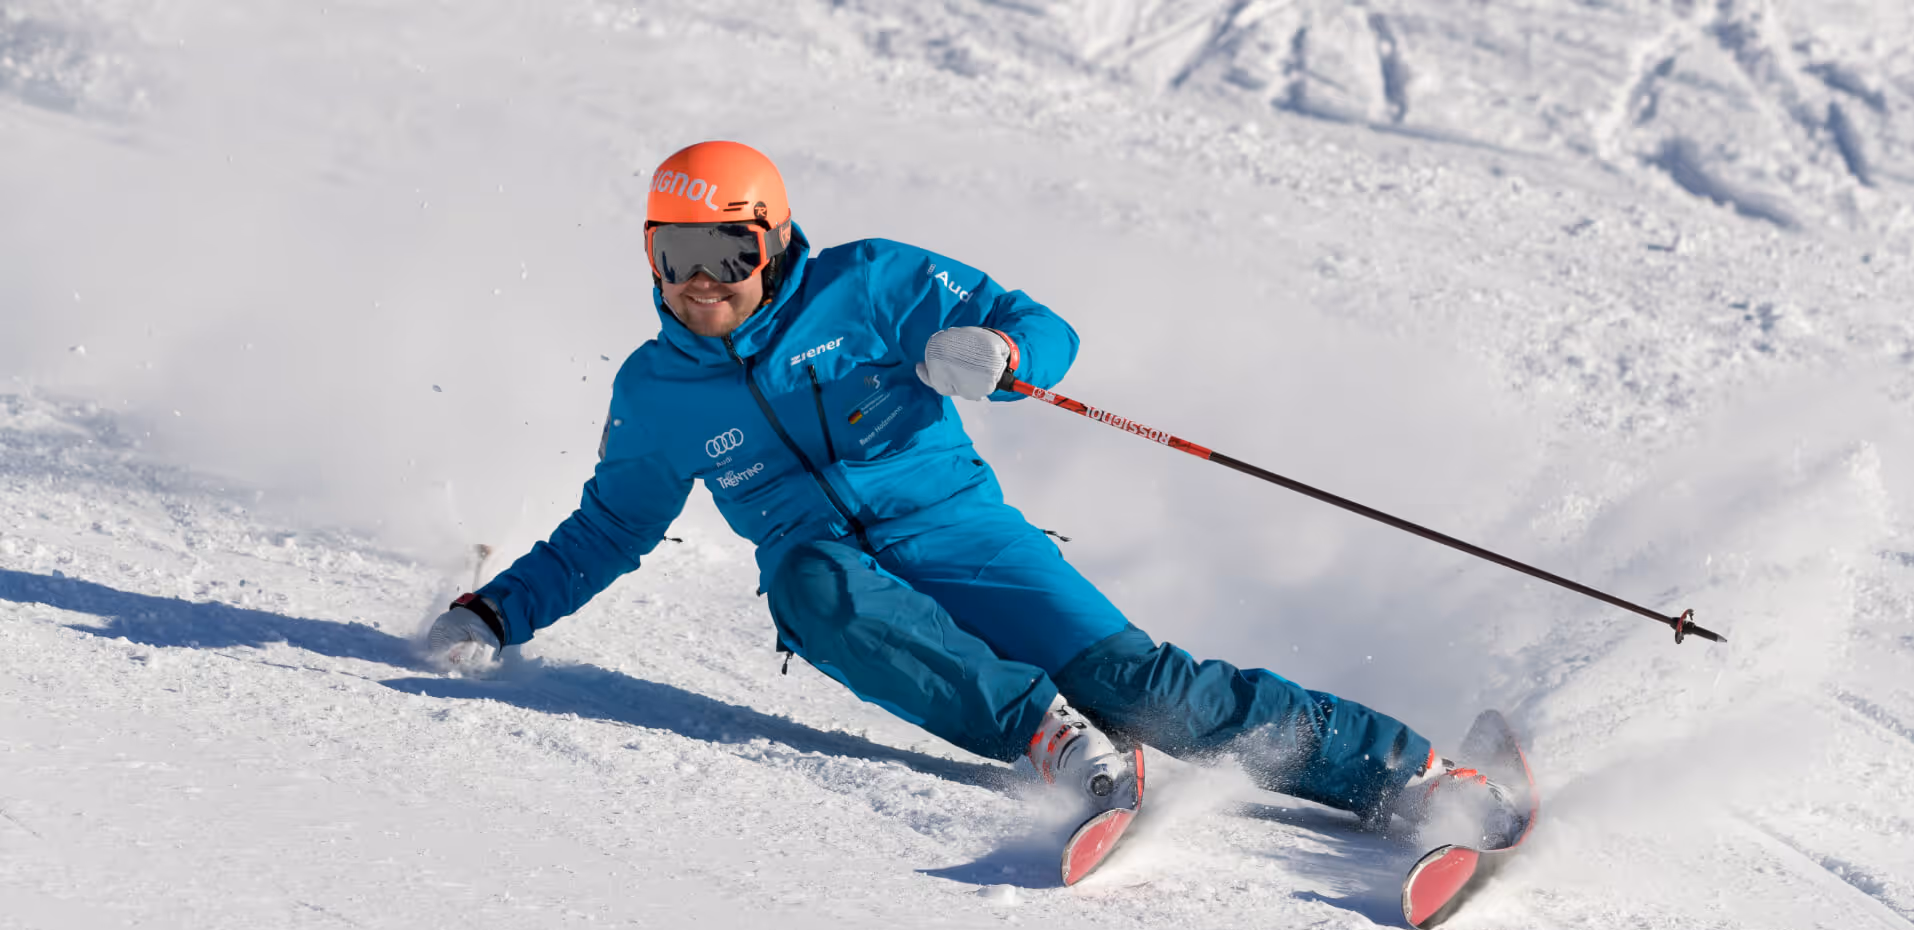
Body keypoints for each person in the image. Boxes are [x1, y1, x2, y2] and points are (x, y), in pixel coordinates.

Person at [425, 140, 1517, 839]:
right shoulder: (657, 391)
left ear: (771, 239)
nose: (700, 284)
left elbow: (1046, 329)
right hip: (844, 576)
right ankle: (1052, 744)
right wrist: (495, 610)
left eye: (724, 251)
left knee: (1151, 691)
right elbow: (613, 525)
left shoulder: (873, 282)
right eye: (674, 256)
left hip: (965, 535)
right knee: (809, 579)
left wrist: (1001, 352)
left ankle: (1420, 776)